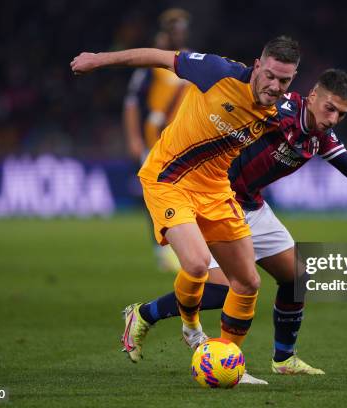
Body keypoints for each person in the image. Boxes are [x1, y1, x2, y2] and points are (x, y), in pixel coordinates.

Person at [116, 69, 347, 376]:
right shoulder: (276, 112)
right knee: (221, 290)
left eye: (341, 114)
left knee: (296, 277)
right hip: (216, 203)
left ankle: (284, 360)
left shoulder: (321, 136)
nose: (333, 118)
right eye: (330, 108)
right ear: (312, 97)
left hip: (251, 205)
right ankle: (144, 315)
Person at [71, 37, 301, 359]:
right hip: (168, 179)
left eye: (284, 80)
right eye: (271, 75)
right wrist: (98, 59)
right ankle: (192, 332)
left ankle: (228, 359)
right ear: (258, 65)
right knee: (195, 264)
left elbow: (315, 127)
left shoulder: (281, 111)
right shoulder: (216, 71)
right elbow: (157, 56)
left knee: (246, 282)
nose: (275, 86)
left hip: (215, 190)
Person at [123, 9, 191, 272]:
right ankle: (162, 249)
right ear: (166, 30)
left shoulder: (190, 59)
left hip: (186, 140)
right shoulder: (152, 63)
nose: (180, 31)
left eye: (183, 27)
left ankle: (186, 247)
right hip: (156, 140)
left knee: (186, 194)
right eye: (175, 27)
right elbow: (131, 103)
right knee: (155, 195)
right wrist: (133, 138)